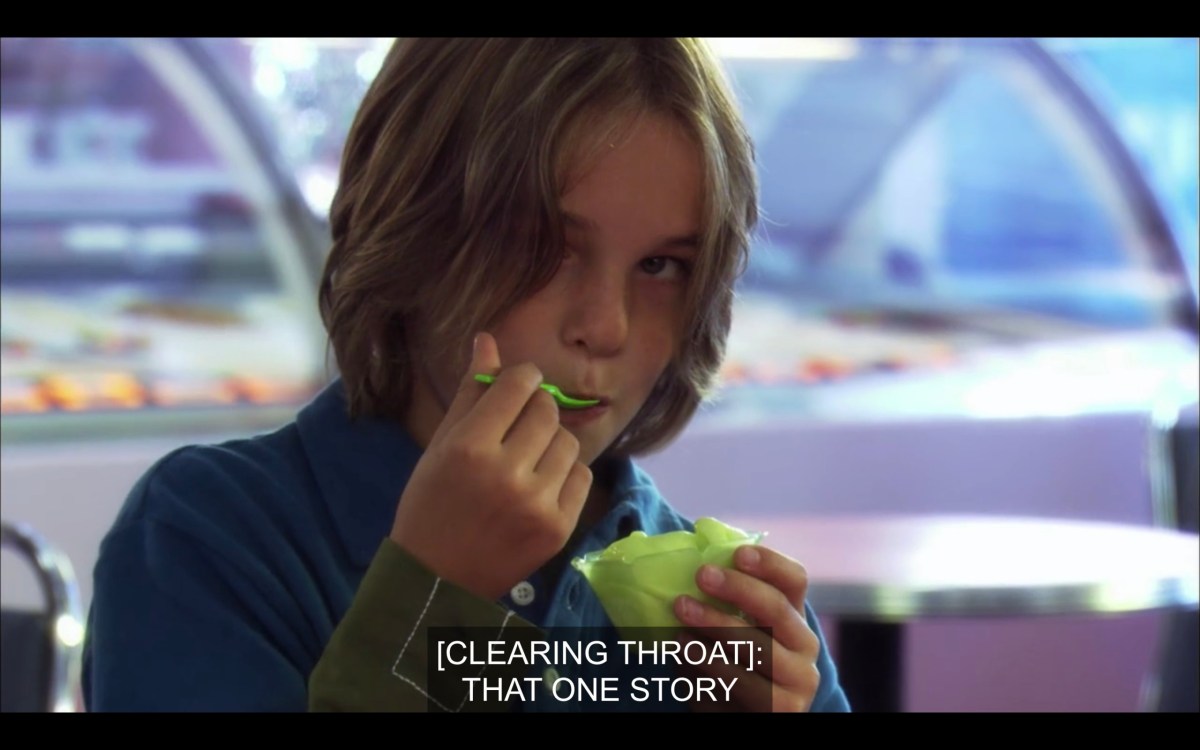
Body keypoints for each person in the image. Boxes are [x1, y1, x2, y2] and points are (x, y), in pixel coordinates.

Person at [82, 38, 850, 713]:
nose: (606, 325)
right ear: (412, 229)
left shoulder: (715, 609)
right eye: (548, 246)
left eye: (661, 266)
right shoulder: (208, 538)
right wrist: (434, 598)